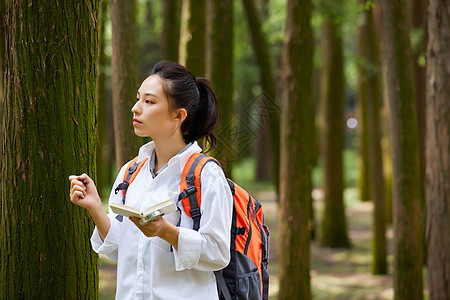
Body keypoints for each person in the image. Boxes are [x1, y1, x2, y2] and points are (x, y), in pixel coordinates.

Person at [68, 60, 233, 299]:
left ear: (178, 115)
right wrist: (94, 207)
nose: (136, 108)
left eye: (149, 101)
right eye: (138, 98)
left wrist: (166, 232)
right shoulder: (131, 171)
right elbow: (118, 249)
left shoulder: (206, 174)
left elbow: (218, 252)